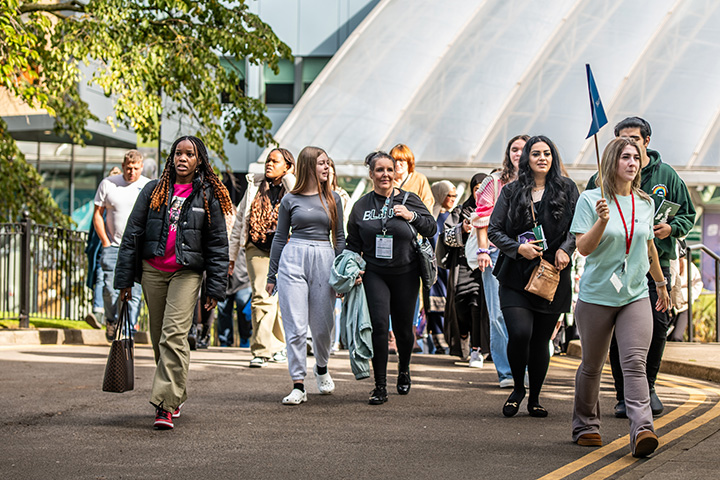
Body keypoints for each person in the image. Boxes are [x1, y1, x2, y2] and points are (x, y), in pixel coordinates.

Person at [115, 135, 232, 430]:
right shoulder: (153, 190)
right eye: (178, 153)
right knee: (158, 337)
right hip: (153, 270)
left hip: (186, 272)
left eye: (189, 154)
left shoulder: (207, 195)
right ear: (171, 158)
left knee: (173, 335)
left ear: (199, 160)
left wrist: (215, 289)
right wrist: (125, 279)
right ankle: (175, 393)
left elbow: (218, 244)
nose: (182, 158)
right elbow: (132, 234)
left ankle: (164, 405)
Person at [586, 117, 696, 417]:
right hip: (612, 269)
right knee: (616, 333)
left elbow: (688, 215)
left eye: (634, 139)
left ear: (647, 141)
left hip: (654, 264)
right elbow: (584, 230)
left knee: (658, 326)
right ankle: (624, 394)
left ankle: (647, 386)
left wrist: (670, 229)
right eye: (622, 140)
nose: (629, 146)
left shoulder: (666, 175)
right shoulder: (598, 181)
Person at [571, 137, 671, 457]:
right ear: (612, 161)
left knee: (634, 362)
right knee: (592, 365)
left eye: (636, 158)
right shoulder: (590, 200)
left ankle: (642, 428)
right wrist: (602, 220)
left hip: (635, 294)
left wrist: (660, 284)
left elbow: (648, 246)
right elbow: (583, 248)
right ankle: (586, 425)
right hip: (597, 295)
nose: (632, 163)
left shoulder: (645, 203)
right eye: (625, 157)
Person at [487, 135, 578, 417]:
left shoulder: (567, 188)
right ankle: (517, 387)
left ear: (553, 158)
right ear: (526, 157)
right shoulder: (512, 191)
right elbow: (494, 230)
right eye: (536, 153)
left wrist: (566, 249)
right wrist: (518, 248)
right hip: (516, 273)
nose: (542, 158)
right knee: (520, 332)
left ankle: (535, 397)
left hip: (553, 273)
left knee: (540, 340)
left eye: (547, 153)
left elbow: (578, 227)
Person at [345, 151, 436, 405]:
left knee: (404, 330)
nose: (385, 174)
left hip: (406, 273)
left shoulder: (410, 199)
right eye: (379, 170)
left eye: (389, 169)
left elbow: (431, 228)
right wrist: (351, 269)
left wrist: (411, 216)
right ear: (371, 174)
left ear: (396, 173)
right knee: (379, 327)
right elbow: (353, 243)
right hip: (375, 274)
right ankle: (380, 385)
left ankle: (404, 369)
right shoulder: (361, 206)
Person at [266, 147, 345, 405]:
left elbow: (340, 238)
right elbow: (280, 237)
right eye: (322, 163)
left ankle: (321, 367)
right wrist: (272, 274)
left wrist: (342, 272)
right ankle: (298, 384)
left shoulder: (334, 199)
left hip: (324, 256)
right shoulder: (290, 199)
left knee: (322, 327)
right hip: (294, 256)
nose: (326, 168)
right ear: (309, 166)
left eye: (328, 164)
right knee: (296, 326)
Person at [228, 148, 296, 368]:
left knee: (279, 299)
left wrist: (288, 178)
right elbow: (240, 220)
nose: (269, 164)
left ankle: (278, 345)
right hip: (256, 246)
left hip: (285, 248)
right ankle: (261, 350)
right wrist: (231, 255)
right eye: (268, 160)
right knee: (261, 295)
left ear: (287, 166)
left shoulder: (292, 187)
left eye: (275, 162)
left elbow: (299, 200)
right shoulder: (254, 185)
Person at [474, 135, 528, 386]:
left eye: (523, 149)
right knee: (497, 314)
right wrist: (483, 251)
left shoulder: (539, 182)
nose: (518, 153)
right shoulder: (494, 182)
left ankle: (526, 369)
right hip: (497, 253)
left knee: (526, 315)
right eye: (514, 149)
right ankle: (507, 372)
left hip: (529, 255)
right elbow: (482, 218)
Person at [93, 150, 150, 340]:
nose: (131, 172)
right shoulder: (108, 184)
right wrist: (105, 242)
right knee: (110, 289)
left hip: (137, 249)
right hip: (113, 246)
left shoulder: (148, 186)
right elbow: (97, 214)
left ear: (141, 167)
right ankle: (111, 319)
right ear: (123, 166)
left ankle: (127, 331)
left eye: (135, 168)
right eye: (128, 168)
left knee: (134, 293)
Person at [438, 173, 489, 367]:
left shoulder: (495, 210)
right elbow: (445, 236)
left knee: (477, 305)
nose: (480, 193)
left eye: (484, 189)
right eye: (477, 190)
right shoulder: (461, 211)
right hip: (463, 266)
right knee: (460, 306)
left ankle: (477, 350)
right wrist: (462, 229)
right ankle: (464, 334)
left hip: (483, 268)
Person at [426, 180, 456, 354]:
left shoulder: (455, 217)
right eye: (448, 195)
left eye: (454, 196)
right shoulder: (431, 218)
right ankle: (439, 340)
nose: (452, 199)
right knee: (434, 305)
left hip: (450, 267)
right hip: (434, 268)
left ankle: (450, 339)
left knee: (449, 304)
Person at [328, 157, 352, 353]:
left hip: (337, 248)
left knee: (336, 298)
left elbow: (345, 228)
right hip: (319, 247)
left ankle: (336, 340)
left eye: (331, 170)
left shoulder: (342, 196)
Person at [216, 247, 253, 347]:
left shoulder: (241, 233)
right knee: (223, 311)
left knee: (243, 309)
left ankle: (245, 338)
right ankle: (225, 341)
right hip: (224, 280)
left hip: (243, 279)